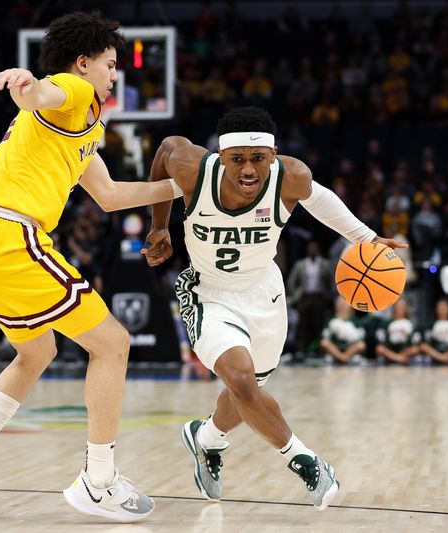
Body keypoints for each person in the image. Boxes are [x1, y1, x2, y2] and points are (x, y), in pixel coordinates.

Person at [0, 12, 179, 523]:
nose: (114, 76)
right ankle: (98, 481)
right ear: (84, 63)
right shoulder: (73, 91)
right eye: (110, 65)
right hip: (8, 233)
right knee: (113, 344)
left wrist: (178, 190)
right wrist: (27, 86)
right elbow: (47, 93)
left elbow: (108, 196)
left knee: (36, 351)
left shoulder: (78, 130)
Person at [141, 107, 405, 510]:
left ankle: (206, 439)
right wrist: (159, 223)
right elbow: (164, 149)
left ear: (273, 155)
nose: (248, 170)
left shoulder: (291, 176)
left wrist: (367, 238)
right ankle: (305, 461)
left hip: (264, 293)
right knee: (244, 382)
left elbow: (321, 200)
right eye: (238, 159)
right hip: (209, 292)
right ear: (221, 156)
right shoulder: (194, 168)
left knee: (247, 394)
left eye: (258, 159)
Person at [319, 298, 367, 364]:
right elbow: (325, 339)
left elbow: (361, 340)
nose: (342, 306)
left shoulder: (356, 321)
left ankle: (343, 358)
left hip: (350, 348)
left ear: (350, 306)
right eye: (340, 303)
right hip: (335, 349)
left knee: (361, 345)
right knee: (324, 343)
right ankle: (342, 358)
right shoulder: (331, 321)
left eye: (344, 303)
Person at [375, 299, 422, 364]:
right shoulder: (386, 324)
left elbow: (416, 342)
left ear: (406, 309)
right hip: (390, 350)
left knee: (415, 349)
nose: (399, 309)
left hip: (405, 351)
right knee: (379, 348)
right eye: (397, 307)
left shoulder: (411, 324)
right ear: (394, 309)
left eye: (402, 307)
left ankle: (394, 359)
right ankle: (400, 359)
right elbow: (381, 342)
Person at [420, 298, 448, 364]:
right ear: (436, 309)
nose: (442, 309)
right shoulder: (430, 325)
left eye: (445, 306)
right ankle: (441, 358)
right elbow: (424, 344)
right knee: (423, 347)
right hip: (435, 354)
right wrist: (440, 357)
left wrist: (447, 355)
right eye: (440, 307)